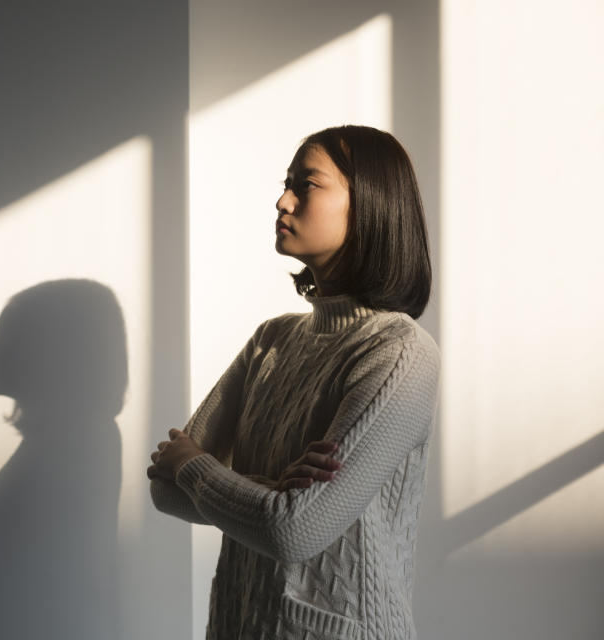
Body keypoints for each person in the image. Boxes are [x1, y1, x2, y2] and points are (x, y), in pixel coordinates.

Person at [147, 124, 441, 640]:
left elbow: (292, 529)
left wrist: (200, 467)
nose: (282, 201)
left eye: (306, 184)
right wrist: (268, 489)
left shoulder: (398, 351)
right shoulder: (272, 339)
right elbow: (165, 490)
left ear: (369, 205)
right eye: (286, 183)